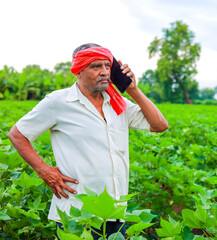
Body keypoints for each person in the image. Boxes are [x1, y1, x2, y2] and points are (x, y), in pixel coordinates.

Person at [8, 43, 168, 239]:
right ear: (78, 71)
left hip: (115, 213)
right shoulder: (58, 102)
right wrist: (45, 171)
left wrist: (133, 90)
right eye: (95, 66)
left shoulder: (118, 103)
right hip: (76, 215)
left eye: (107, 66)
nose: (104, 72)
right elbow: (17, 134)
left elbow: (159, 125)